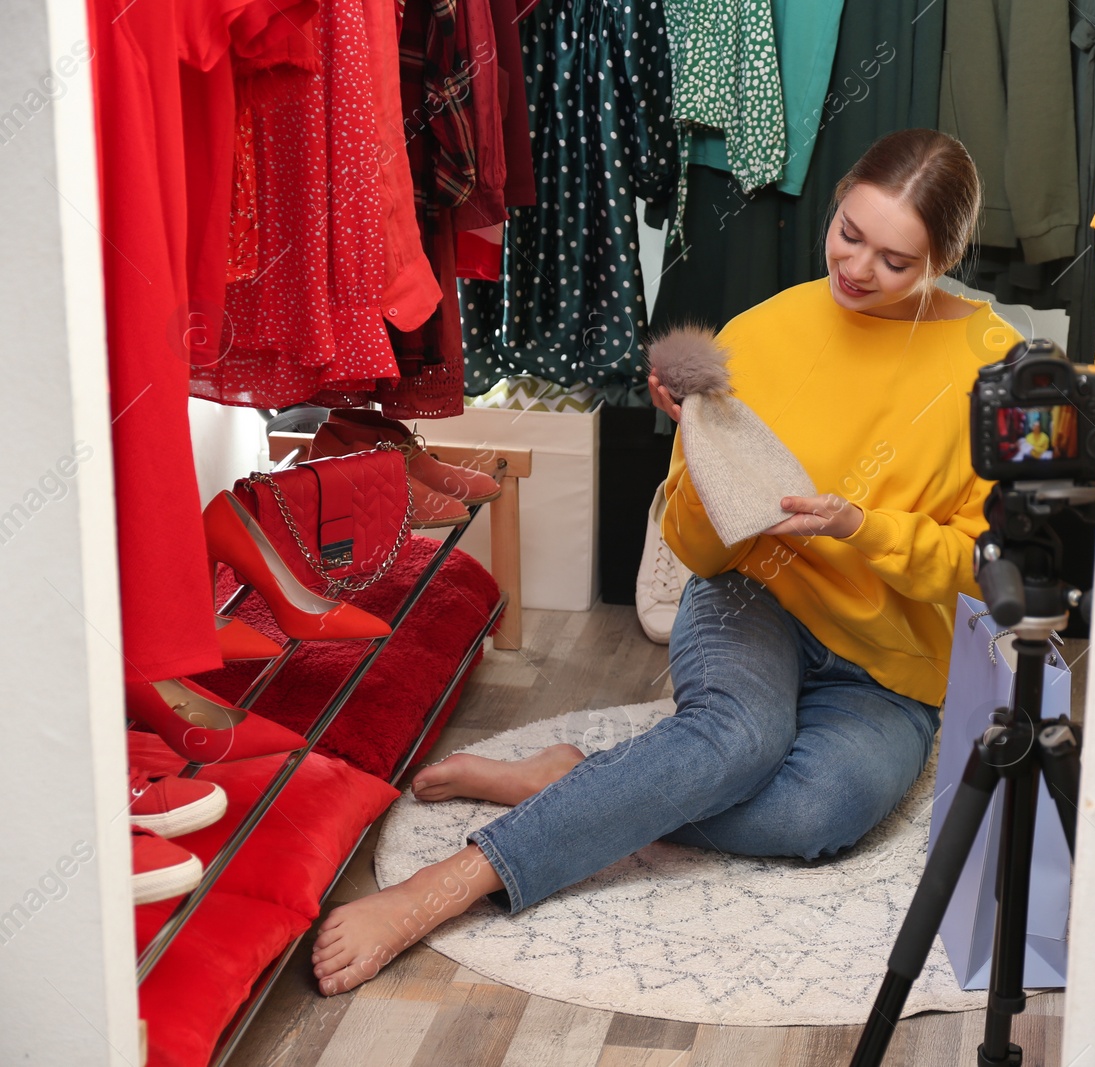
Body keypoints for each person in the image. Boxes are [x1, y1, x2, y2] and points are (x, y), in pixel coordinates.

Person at [308, 128, 1024, 995]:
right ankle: (452, 881)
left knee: (814, 810)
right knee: (738, 738)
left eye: (896, 260)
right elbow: (692, 546)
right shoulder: (761, 335)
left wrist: (856, 527)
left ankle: (582, 780)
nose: (857, 269)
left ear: (945, 259)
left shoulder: (998, 369)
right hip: (752, 598)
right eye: (848, 232)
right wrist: (700, 455)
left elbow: (981, 564)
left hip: (889, 659)